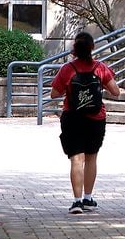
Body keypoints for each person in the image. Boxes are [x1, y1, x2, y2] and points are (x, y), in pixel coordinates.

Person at [51, 32, 120, 214]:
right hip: (96, 119)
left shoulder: (67, 69)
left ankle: (76, 202)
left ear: (74, 49)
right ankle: (88, 198)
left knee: (76, 159)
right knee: (91, 158)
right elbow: (116, 92)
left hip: (72, 118)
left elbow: (54, 94)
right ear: (92, 48)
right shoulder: (100, 68)